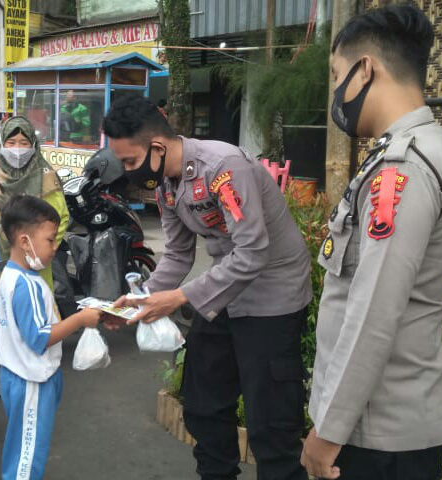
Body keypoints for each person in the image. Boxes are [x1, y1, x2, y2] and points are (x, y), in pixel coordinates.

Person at [301, 6, 442, 480]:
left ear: (366, 70)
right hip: (383, 428)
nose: (336, 92)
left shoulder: (403, 168)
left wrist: (329, 430)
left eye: (337, 76)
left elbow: (374, 307)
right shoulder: (415, 154)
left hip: (378, 439)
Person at [104, 95, 312, 480]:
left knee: (271, 425)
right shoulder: (166, 185)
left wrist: (181, 298)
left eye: (131, 161)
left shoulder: (222, 168)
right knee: (202, 405)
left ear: (157, 146)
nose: (129, 171)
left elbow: (252, 252)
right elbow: (179, 255)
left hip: (273, 297)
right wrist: (140, 299)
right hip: (223, 295)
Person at [0, 195, 103, 480]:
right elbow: (39, 338)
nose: (55, 248)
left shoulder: (11, 275)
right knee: (27, 456)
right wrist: (80, 319)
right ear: (24, 241)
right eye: (50, 240)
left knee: (23, 446)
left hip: (20, 374)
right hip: (31, 380)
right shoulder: (27, 284)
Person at [0, 116, 68, 290]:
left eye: (24, 143)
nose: (17, 149)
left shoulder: (45, 176)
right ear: (1, 143)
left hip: (34, 264)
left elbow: (59, 217)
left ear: (33, 145)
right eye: (11, 142)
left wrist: (41, 250)